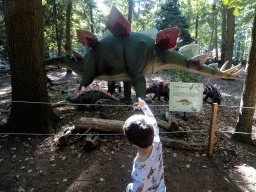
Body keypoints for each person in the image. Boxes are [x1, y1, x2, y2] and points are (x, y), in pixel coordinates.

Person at [123, 98, 166, 192]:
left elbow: (135, 189)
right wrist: (144, 107)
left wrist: (129, 188)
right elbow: (153, 122)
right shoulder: (157, 141)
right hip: (160, 188)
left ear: (133, 144)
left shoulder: (139, 170)